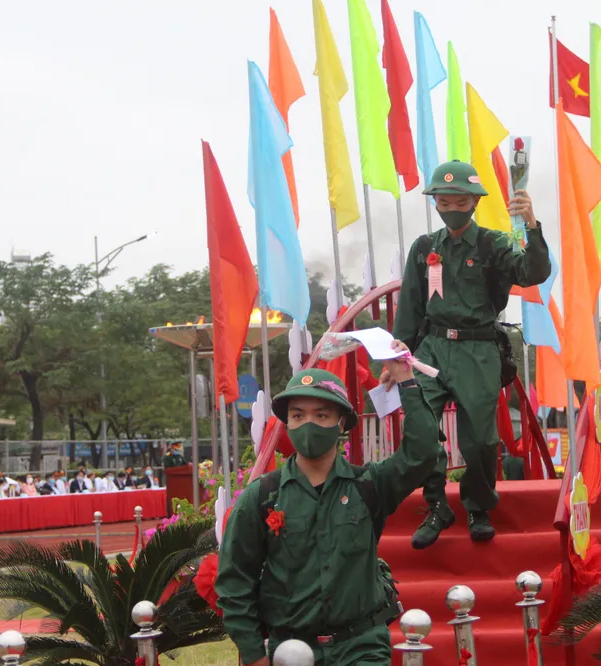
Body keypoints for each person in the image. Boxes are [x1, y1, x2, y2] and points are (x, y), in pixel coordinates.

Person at [216, 345, 441, 666]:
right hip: (291, 651)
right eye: (298, 415)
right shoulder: (262, 496)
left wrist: (406, 381)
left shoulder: (370, 486)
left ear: (341, 424)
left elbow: (421, 454)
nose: (308, 424)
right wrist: (255, 656)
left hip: (361, 647)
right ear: (287, 423)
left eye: (321, 415)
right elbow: (235, 581)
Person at [389, 160, 551, 548]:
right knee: (420, 426)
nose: (452, 208)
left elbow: (532, 272)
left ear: (474, 202)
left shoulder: (494, 244)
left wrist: (531, 226)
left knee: (479, 441)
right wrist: (397, 357)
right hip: (432, 349)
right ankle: (436, 505)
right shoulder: (424, 248)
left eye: (460, 201)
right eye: (444, 201)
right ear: (435, 202)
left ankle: (478, 506)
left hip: (478, 348)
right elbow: (410, 305)